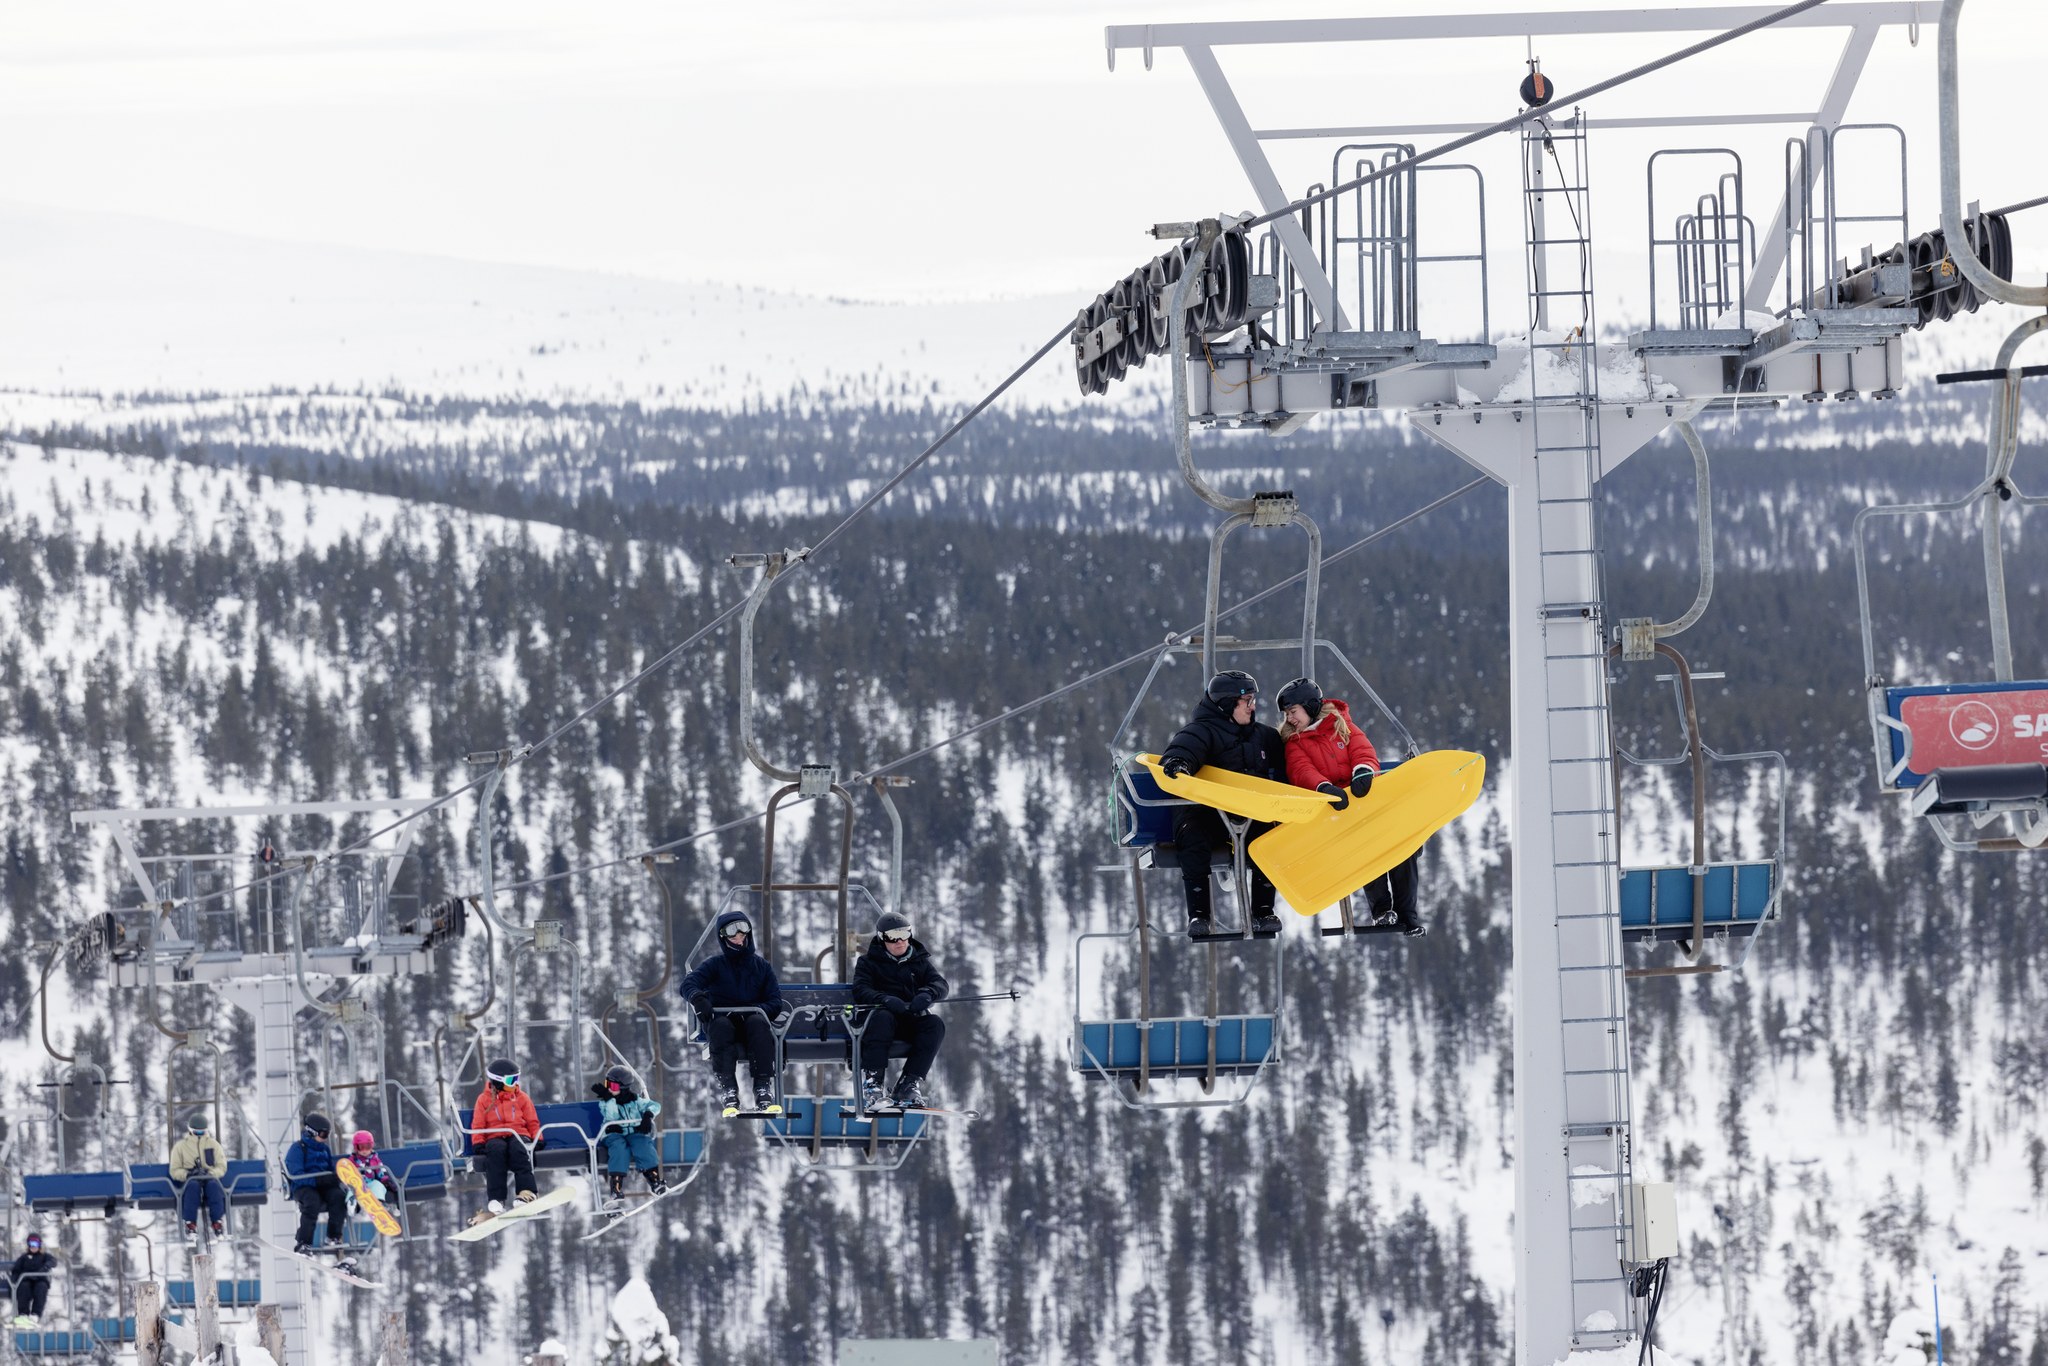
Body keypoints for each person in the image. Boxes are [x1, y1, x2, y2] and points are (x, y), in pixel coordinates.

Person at [1277, 676, 1424, 936]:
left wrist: (1363, 771)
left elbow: (1362, 750)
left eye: (1293, 711)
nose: (1290, 719)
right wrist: (1324, 788)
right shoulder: (1294, 742)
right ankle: (1381, 910)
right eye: (1287, 714)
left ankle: (1408, 915)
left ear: (1310, 707)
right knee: (1364, 845)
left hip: (1363, 801)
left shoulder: (1342, 725)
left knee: (1402, 847)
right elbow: (1301, 770)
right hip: (1336, 811)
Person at [1158, 669, 1287, 939]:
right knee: (1193, 837)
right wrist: (1178, 764)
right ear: (1226, 704)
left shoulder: (1264, 736)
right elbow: (1183, 750)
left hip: (1249, 812)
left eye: (1253, 700)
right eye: (1247, 701)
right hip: (1208, 813)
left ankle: (1263, 911)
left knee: (1270, 836)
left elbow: (1289, 766)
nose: (1253, 707)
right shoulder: (1202, 731)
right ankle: (1199, 915)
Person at [680, 909, 788, 1117]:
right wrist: (698, 998)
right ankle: (729, 1089)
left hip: (752, 1026)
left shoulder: (761, 967)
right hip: (724, 1023)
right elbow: (688, 984)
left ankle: (762, 1088)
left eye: (742, 931)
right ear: (723, 937)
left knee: (758, 1023)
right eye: (732, 933)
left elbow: (775, 1001)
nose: (739, 937)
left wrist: (756, 1011)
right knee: (720, 1026)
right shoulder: (715, 965)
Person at [850, 909, 950, 1110]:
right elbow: (861, 989)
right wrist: (884, 999)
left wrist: (927, 994)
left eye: (904, 934)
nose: (900, 941)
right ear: (882, 938)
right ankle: (873, 1082)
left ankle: (908, 1083)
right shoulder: (868, 962)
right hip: (879, 1021)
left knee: (934, 1024)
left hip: (909, 1019)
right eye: (893, 937)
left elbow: (940, 984)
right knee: (883, 1018)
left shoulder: (919, 961)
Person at [468, 1058, 541, 1226]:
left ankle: (526, 1192)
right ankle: (497, 1199)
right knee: (495, 1152)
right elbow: (478, 1124)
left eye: (516, 1079)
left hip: (518, 1134)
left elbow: (532, 1121)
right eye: (511, 1080)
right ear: (498, 1081)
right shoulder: (484, 1100)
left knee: (518, 1150)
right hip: (494, 1136)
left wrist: (538, 1139)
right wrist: (478, 1142)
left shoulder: (521, 1098)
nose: (515, 1083)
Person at [284, 1113, 355, 1271]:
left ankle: (333, 1235)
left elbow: (329, 1169)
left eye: (327, 1135)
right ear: (312, 1132)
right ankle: (304, 1242)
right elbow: (296, 1175)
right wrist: (318, 1180)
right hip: (303, 1187)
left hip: (322, 1186)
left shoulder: (325, 1150)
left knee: (338, 1197)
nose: (325, 1138)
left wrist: (334, 1178)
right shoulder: (298, 1149)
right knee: (312, 1201)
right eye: (323, 1134)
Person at [590, 1065, 667, 1201]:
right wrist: (609, 1099)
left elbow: (655, 1105)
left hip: (633, 1133)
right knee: (619, 1149)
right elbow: (611, 1116)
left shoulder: (635, 1101)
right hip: (613, 1133)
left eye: (613, 1086)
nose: (609, 1089)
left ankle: (654, 1180)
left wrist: (648, 1115)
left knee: (643, 1145)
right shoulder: (605, 1102)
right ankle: (616, 1187)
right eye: (607, 1084)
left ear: (624, 1087)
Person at [169, 1109, 228, 1238]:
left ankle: (217, 1222)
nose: (200, 1134)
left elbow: (221, 1166)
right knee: (192, 1186)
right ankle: (190, 1223)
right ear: (191, 1130)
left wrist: (211, 1173)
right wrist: (187, 1174)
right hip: (190, 1180)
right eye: (197, 1132)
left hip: (209, 1178)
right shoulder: (181, 1147)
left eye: (202, 1132)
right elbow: (174, 1170)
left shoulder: (213, 1145)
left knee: (213, 1186)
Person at [7, 1233, 54, 1328]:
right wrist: (13, 1281)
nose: (33, 1246)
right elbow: (16, 1270)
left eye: (35, 1244)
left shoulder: (44, 1256)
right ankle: (23, 1314)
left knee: (41, 1287)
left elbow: (53, 1261)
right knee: (24, 1287)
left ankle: (35, 1315)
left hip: (40, 1280)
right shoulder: (24, 1258)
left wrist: (46, 1266)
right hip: (26, 1280)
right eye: (31, 1244)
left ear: (39, 1245)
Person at [345, 1130, 394, 1206]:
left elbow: (380, 1171)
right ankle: (352, 1203)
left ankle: (379, 1202)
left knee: (378, 1185)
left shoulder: (375, 1159)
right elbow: (347, 1173)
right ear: (355, 1147)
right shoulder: (352, 1160)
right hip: (358, 1184)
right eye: (361, 1147)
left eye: (367, 1147)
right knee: (352, 1189)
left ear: (371, 1146)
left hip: (371, 1183)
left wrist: (386, 1181)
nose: (364, 1150)